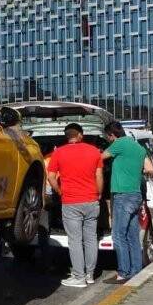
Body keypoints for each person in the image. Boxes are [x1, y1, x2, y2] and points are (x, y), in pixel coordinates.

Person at [47, 123, 104, 288]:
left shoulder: (59, 152)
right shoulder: (94, 151)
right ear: (81, 134)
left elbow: (51, 178)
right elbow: (99, 176)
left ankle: (79, 277)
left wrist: (59, 192)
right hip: (91, 200)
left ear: (67, 136)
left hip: (71, 201)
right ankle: (90, 274)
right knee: (91, 238)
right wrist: (99, 193)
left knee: (75, 240)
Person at [101, 121, 153, 284]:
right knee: (132, 235)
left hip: (123, 196)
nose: (108, 140)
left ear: (112, 135)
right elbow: (148, 168)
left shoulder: (119, 144)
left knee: (118, 235)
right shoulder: (138, 147)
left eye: (107, 137)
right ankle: (136, 271)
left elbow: (100, 157)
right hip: (135, 195)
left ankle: (123, 272)